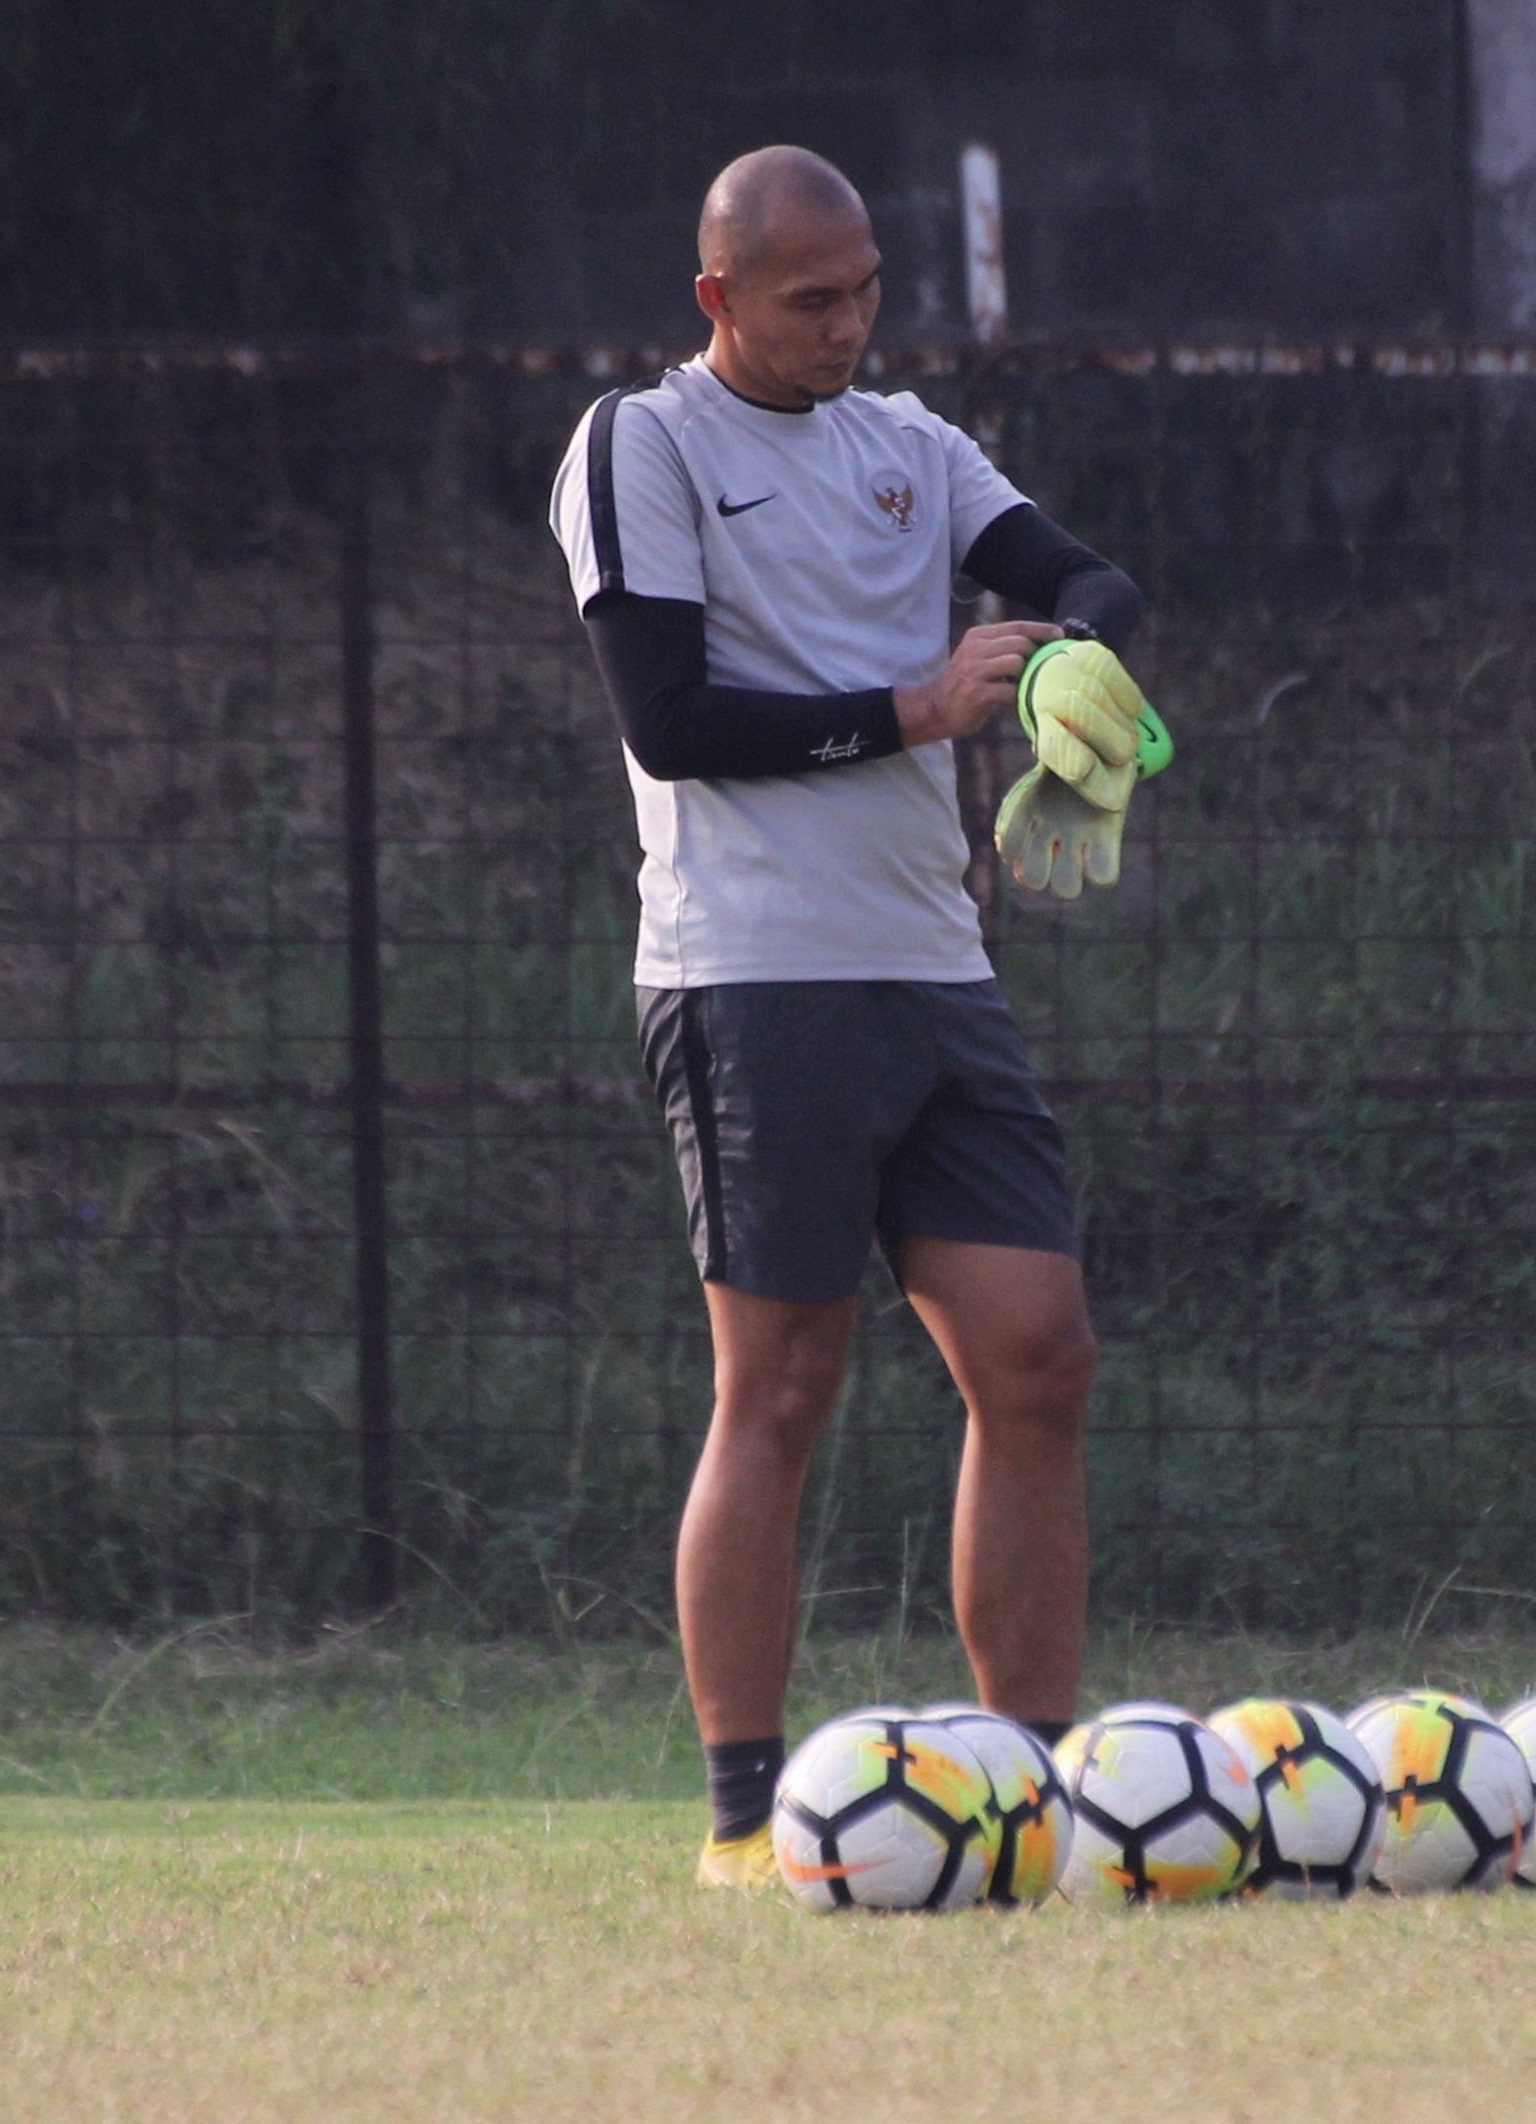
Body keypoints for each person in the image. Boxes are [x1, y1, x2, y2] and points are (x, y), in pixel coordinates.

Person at [544, 145, 1152, 1887]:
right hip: (752, 977)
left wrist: (1065, 675)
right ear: (717, 298)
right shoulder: (639, 445)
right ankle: (744, 1825)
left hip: (935, 972)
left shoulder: (916, 448)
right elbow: (670, 719)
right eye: (812, 300)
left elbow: (1089, 576)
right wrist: (912, 705)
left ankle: (1036, 1804)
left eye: (869, 289)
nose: (851, 324)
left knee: (1041, 1359)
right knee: (783, 1384)